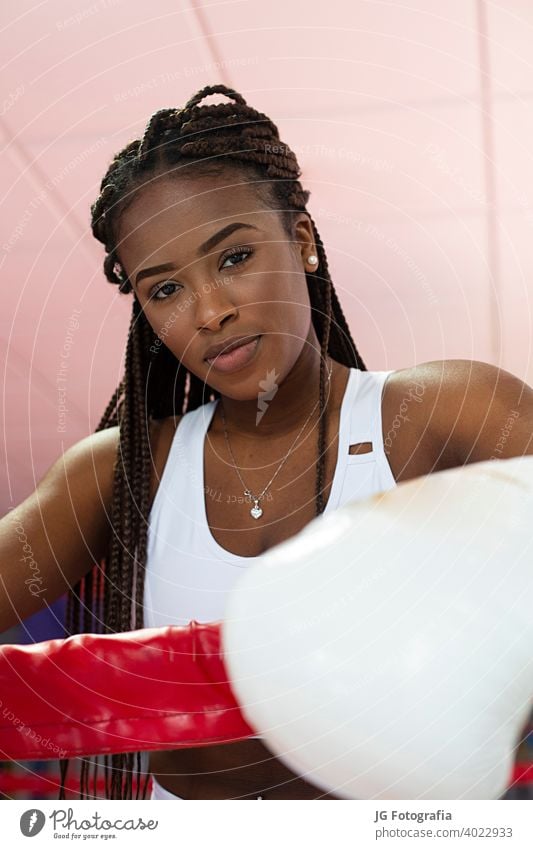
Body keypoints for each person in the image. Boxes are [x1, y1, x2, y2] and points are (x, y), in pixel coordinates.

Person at [1, 83, 533, 801]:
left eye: (233, 257)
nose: (212, 311)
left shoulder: (444, 410)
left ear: (302, 241)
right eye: (165, 290)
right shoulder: (124, 469)